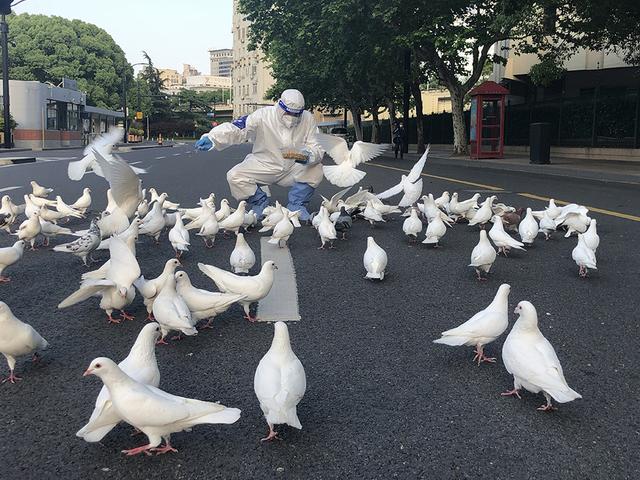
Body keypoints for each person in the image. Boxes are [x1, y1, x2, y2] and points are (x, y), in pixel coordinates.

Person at [195, 89, 324, 221]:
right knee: (235, 176)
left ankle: (297, 206)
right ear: (280, 106)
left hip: (294, 165)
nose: (292, 117)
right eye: (288, 112)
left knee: (316, 169)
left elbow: (316, 145)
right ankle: (259, 203)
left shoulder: (307, 118)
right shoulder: (263, 115)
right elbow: (239, 129)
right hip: (263, 164)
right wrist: (213, 138)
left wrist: (305, 156)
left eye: (296, 114)